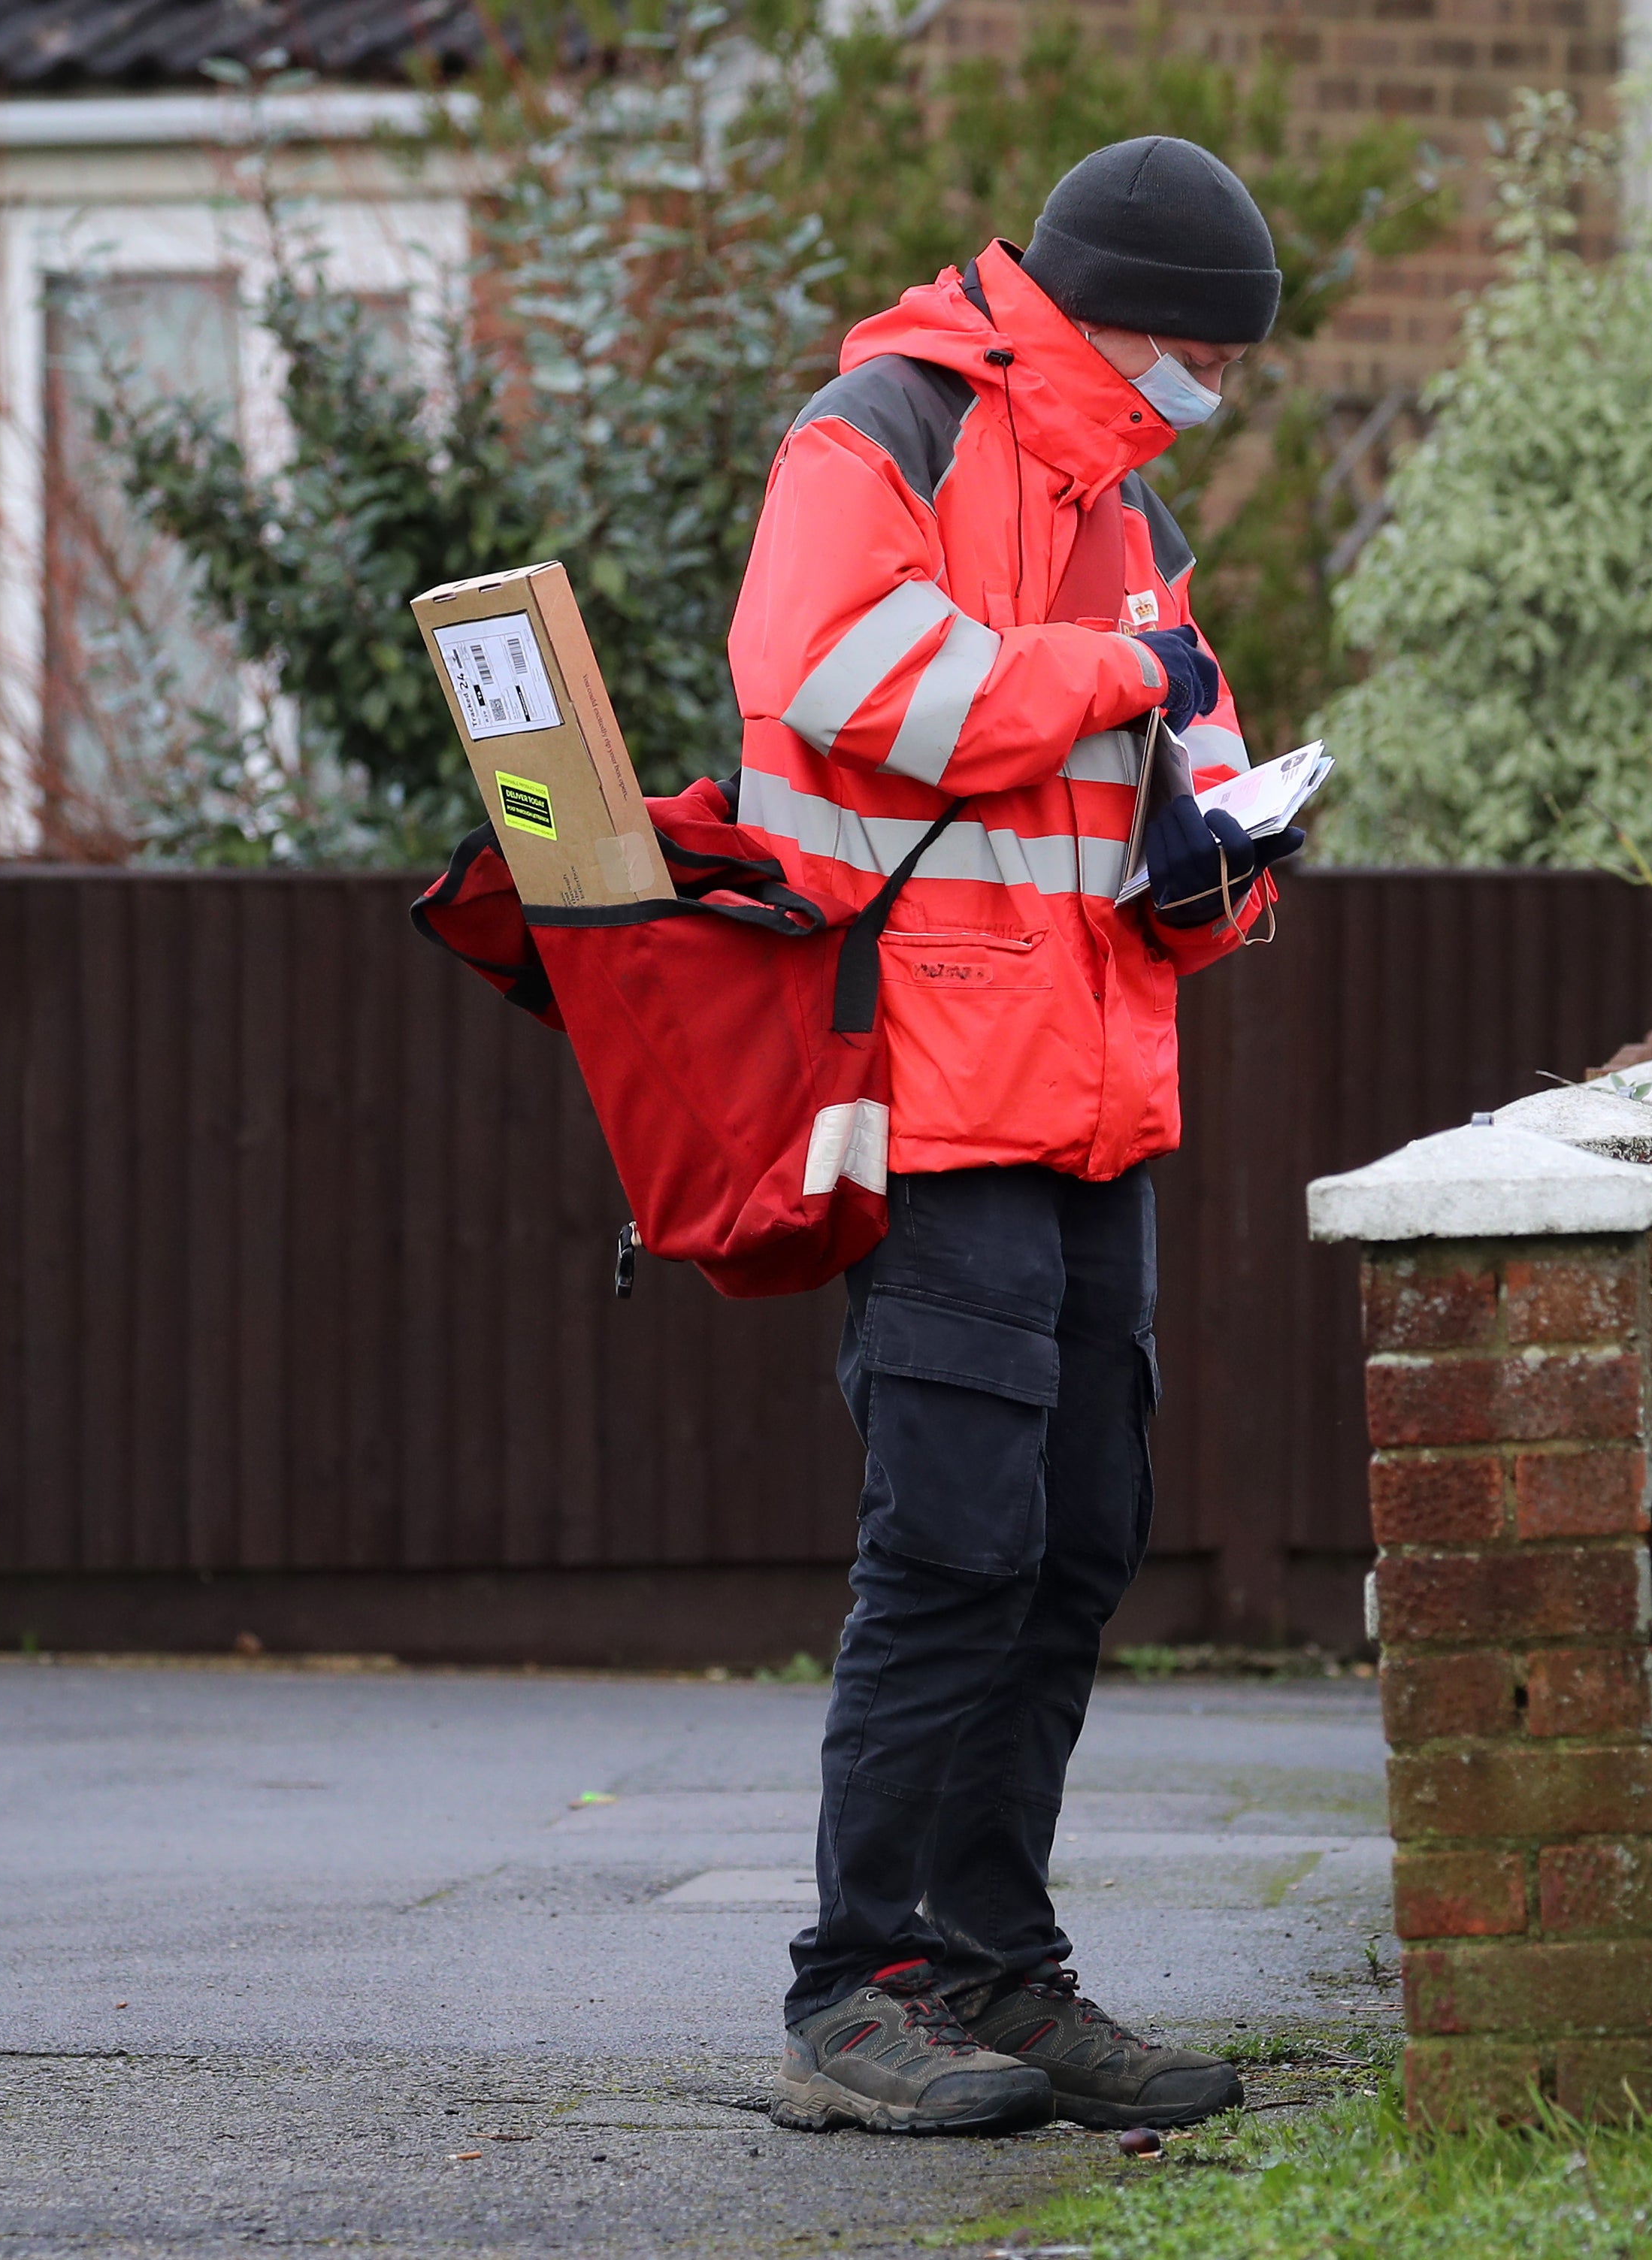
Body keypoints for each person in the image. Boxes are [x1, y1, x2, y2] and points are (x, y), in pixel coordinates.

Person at [725, 136, 1306, 2137]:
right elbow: (833, 673)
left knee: (1065, 1552)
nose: (1205, 399)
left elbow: (1193, 757)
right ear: (1132, 325)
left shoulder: (1121, 500)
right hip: (931, 1091)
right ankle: (853, 1989)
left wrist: (1220, 865)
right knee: (949, 1548)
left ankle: (992, 1971)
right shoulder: (876, 429)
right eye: (1202, 358)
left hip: (1089, 1097)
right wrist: (1111, 680)